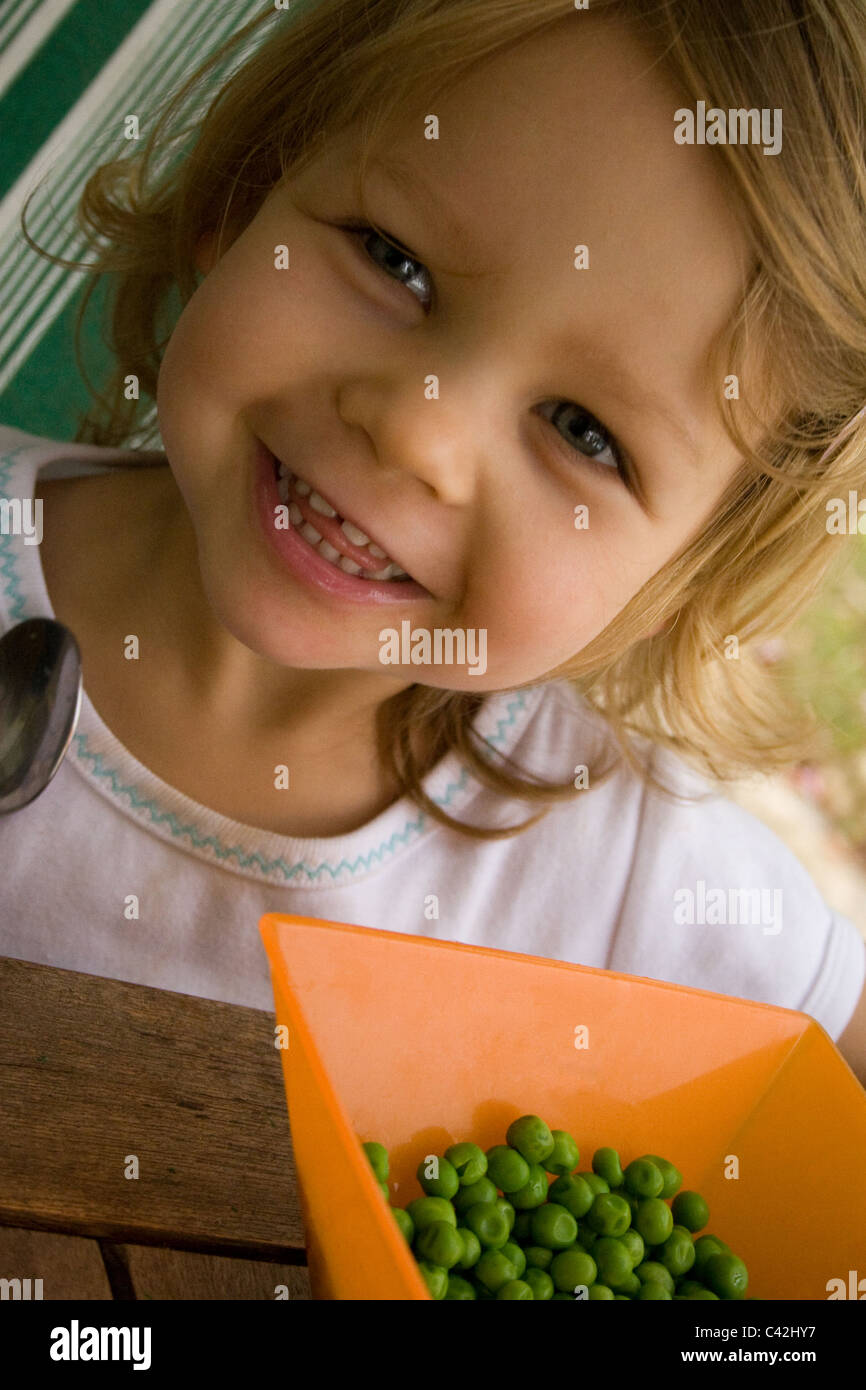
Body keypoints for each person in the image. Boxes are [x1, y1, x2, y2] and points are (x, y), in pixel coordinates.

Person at [2, 0, 865, 1084]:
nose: (418, 430)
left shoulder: (624, 875)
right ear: (251, 190)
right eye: (391, 260)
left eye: (582, 432)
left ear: (670, 583)